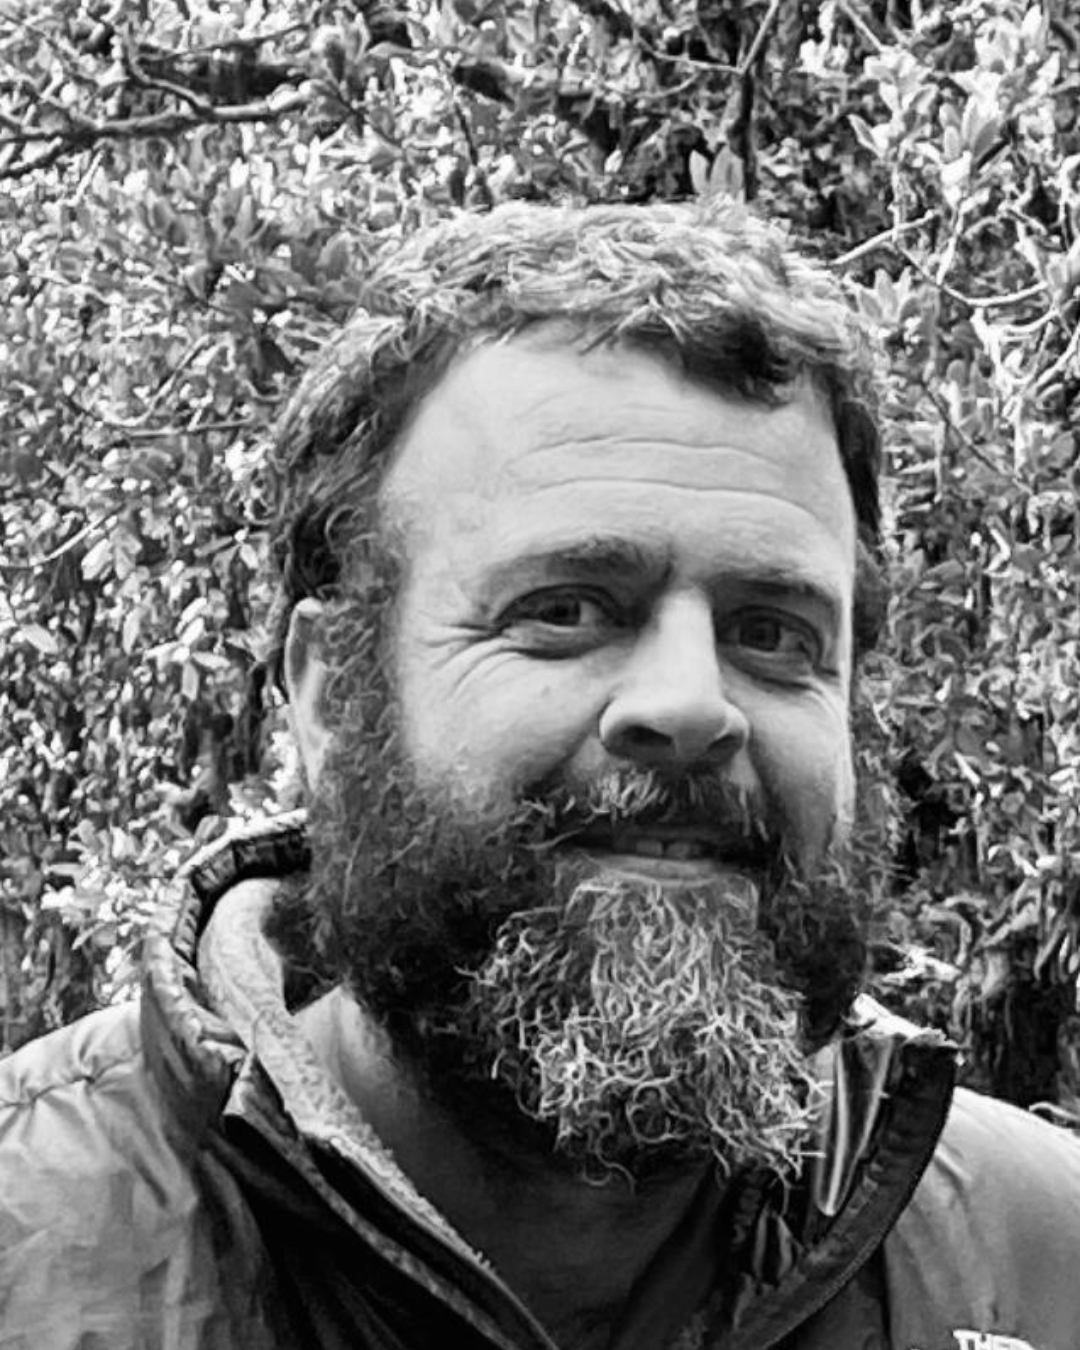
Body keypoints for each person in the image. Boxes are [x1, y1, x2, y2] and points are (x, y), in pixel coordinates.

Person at [1, 201, 1078, 1350]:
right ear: (328, 695)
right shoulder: (36, 1250)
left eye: (772, 634)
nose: (690, 706)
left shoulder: (1040, 1260)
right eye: (565, 612)